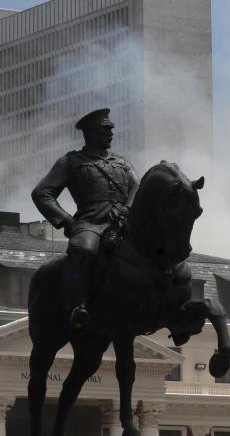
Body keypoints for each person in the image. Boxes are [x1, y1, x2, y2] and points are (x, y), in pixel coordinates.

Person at [31, 108, 140, 327]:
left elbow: (136, 186)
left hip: (122, 222)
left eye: (111, 129)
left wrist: (127, 209)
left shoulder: (122, 162)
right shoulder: (71, 162)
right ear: (90, 133)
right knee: (84, 250)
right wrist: (67, 221)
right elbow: (42, 193)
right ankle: (77, 306)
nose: (110, 133)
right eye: (105, 129)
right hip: (91, 222)